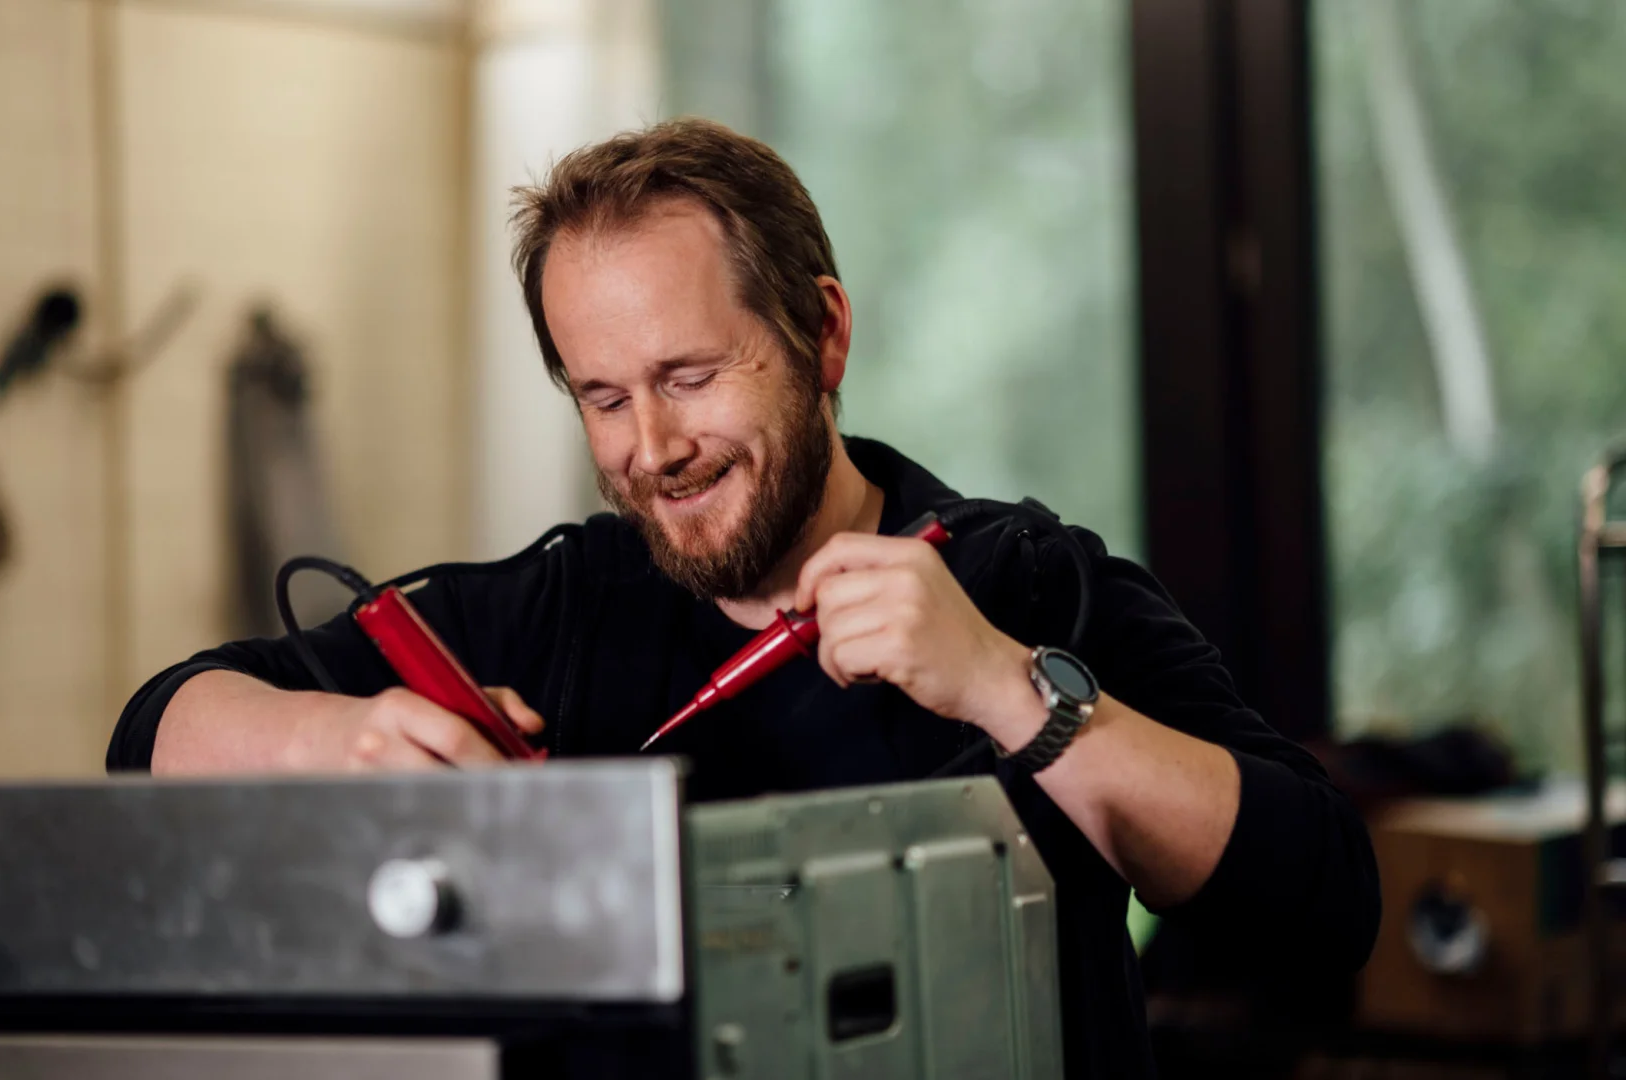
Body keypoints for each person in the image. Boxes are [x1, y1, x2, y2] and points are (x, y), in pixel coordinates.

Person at [107, 117, 1379, 1079]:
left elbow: (1324, 899)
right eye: (603, 398)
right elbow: (153, 731)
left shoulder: (1027, 582)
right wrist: (333, 739)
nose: (652, 446)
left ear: (824, 336)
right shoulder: (566, 605)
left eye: (692, 375)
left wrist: (1010, 691)